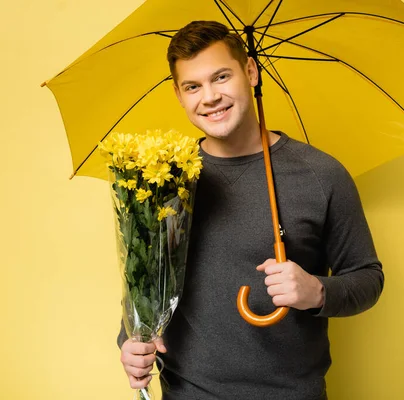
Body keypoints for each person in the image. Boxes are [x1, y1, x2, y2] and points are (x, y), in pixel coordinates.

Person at [117, 20, 384, 400]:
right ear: (179, 95)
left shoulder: (322, 174)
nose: (209, 97)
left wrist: (317, 291)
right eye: (193, 86)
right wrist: (129, 341)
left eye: (221, 77)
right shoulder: (163, 180)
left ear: (251, 72)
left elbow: (367, 277)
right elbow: (145, 281)